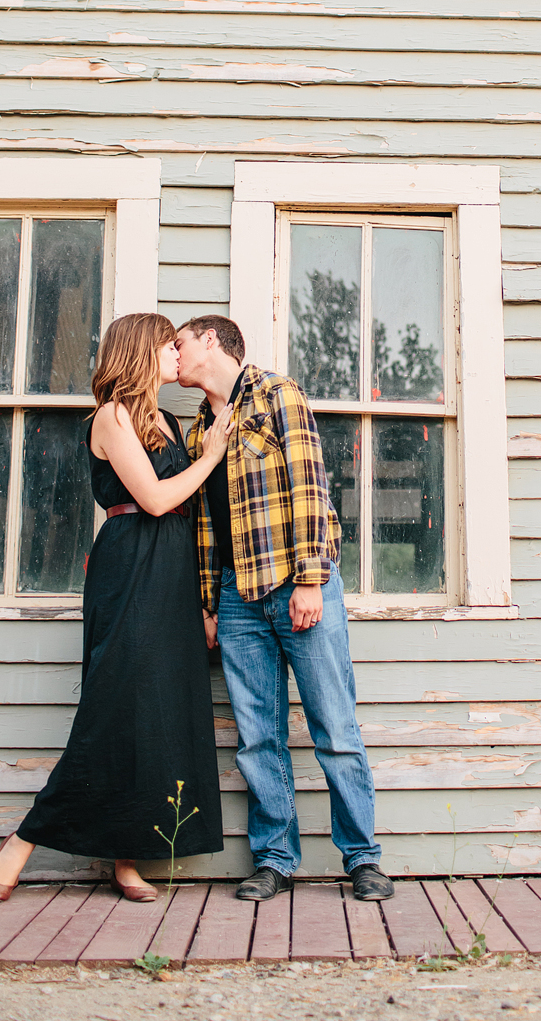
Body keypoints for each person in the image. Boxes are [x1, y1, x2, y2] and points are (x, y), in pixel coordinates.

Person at [0, 312, 233, 903]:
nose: (177, 356)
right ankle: (20, 842)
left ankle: (126, 861)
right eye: (168, 347)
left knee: (157, 714)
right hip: (130, 567)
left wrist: (201, 600)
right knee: (114, 709)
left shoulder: (168, 420)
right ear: (141, 353)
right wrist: (213, 454)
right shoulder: (112, 417)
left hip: (171, 572)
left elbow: (189, 517)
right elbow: (155, 496)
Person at [175, 315, 393, 903]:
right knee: (257, 739)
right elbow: (203, 525)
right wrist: (207, 605)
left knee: (335, 729)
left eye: (181, 343)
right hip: (234, 596)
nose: (174, 354)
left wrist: (311, 580)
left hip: (296, 584)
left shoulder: (277, 394)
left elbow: (311, 489)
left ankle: (362, 859)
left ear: (212, 342)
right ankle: (274, 859)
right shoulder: (199, 428)